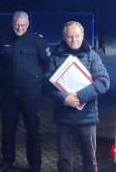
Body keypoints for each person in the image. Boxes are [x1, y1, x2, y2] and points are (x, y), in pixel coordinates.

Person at [46, 21, 109, 172]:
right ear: (64, 36)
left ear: (83, 35)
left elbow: (103, 82)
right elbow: (47, 84)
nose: (74, 40)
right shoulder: (55, 56)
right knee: (64, 159)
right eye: (69, 36)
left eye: (77, 36)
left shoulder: (91, 56)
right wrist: (64, 98)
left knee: (89, 158)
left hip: (87, 117)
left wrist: (80, 96)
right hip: (64, 117)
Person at [0, 11, 50, 172]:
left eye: (23, 25)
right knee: (8, 128)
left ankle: (35, 164)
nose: (19, 28)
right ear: (12, 23)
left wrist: (36, 81)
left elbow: (47, 64)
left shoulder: (37, 41)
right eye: (17, 25)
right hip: (9, 93)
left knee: (33, 128)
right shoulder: (3, 38)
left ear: (28, 24)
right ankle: (7, 161)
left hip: (30, 93)